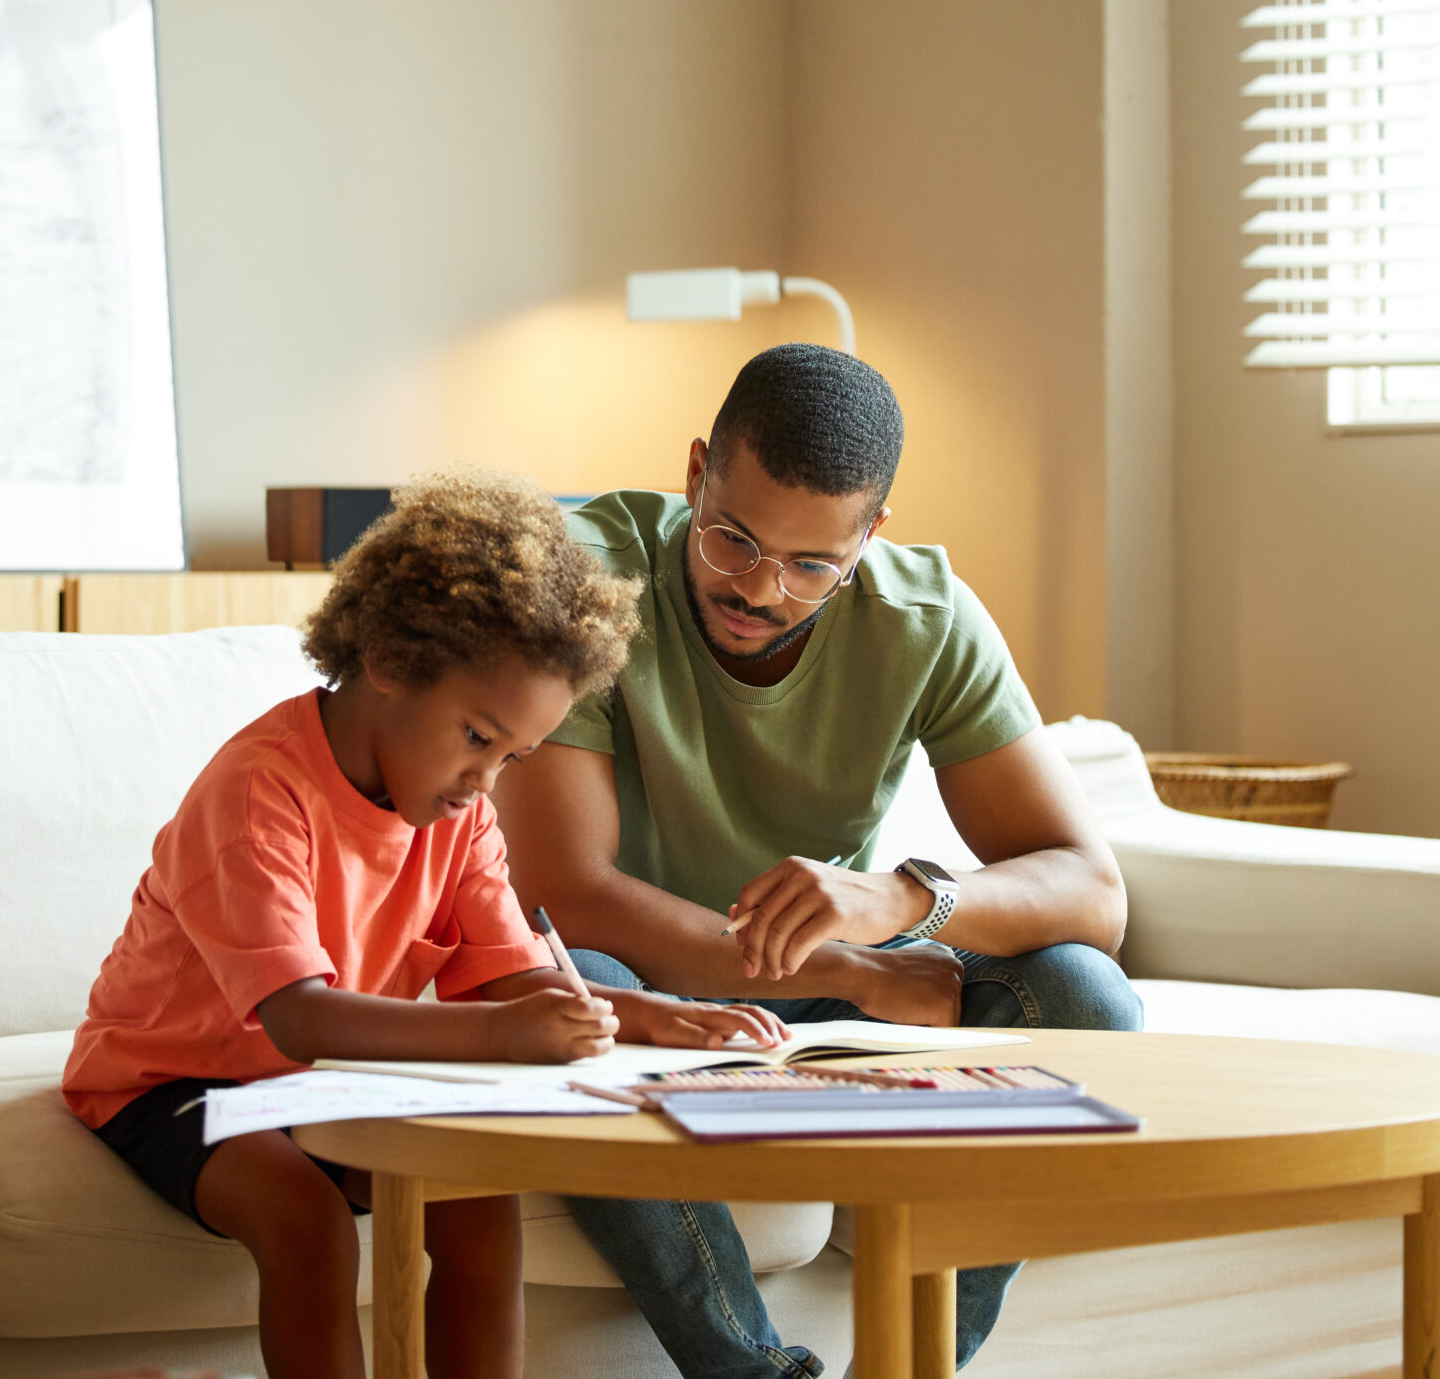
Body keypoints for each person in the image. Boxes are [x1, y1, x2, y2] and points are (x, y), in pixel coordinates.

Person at [494, 343, 1144, 1378]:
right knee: (573, 998)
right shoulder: (587, 576)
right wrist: (846, 969)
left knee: (1085, 994)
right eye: (731, 540)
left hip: (820, 1012)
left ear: (869, 536)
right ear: (696, 471)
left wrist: (898, 900)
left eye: (811, 566)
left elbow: (1093, 893)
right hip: (649, 992)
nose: (758, 590)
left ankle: (911, 1366)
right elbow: (565, 897)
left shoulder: (923, 618)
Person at [64, 468, 789, 1379]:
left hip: (329, 1080)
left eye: (514, 757)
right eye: (478, 738)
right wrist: (503, 1031)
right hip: (176, 1079)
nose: (485, 782)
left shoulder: (461, 813)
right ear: (391, 663)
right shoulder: (259, 792)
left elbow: (511, 975)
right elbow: (301, 1016)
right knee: (305, 1221)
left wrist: (658, 1019)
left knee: (479, 1199)